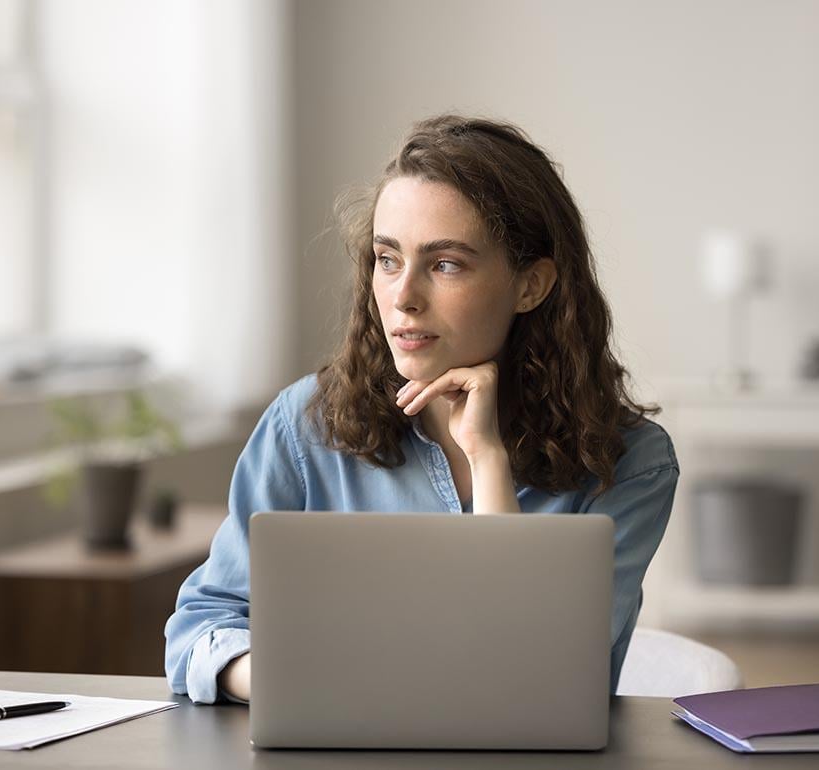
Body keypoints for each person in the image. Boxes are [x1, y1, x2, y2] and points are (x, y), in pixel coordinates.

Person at [164, 114, 680, 704]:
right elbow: (201, 626)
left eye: (445, 264)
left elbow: (535, 679)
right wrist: (295, 683)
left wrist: (487, 460)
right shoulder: (304, 424)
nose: (403, 296)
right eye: (387, 259)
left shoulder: (631, 462)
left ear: (531, 286)